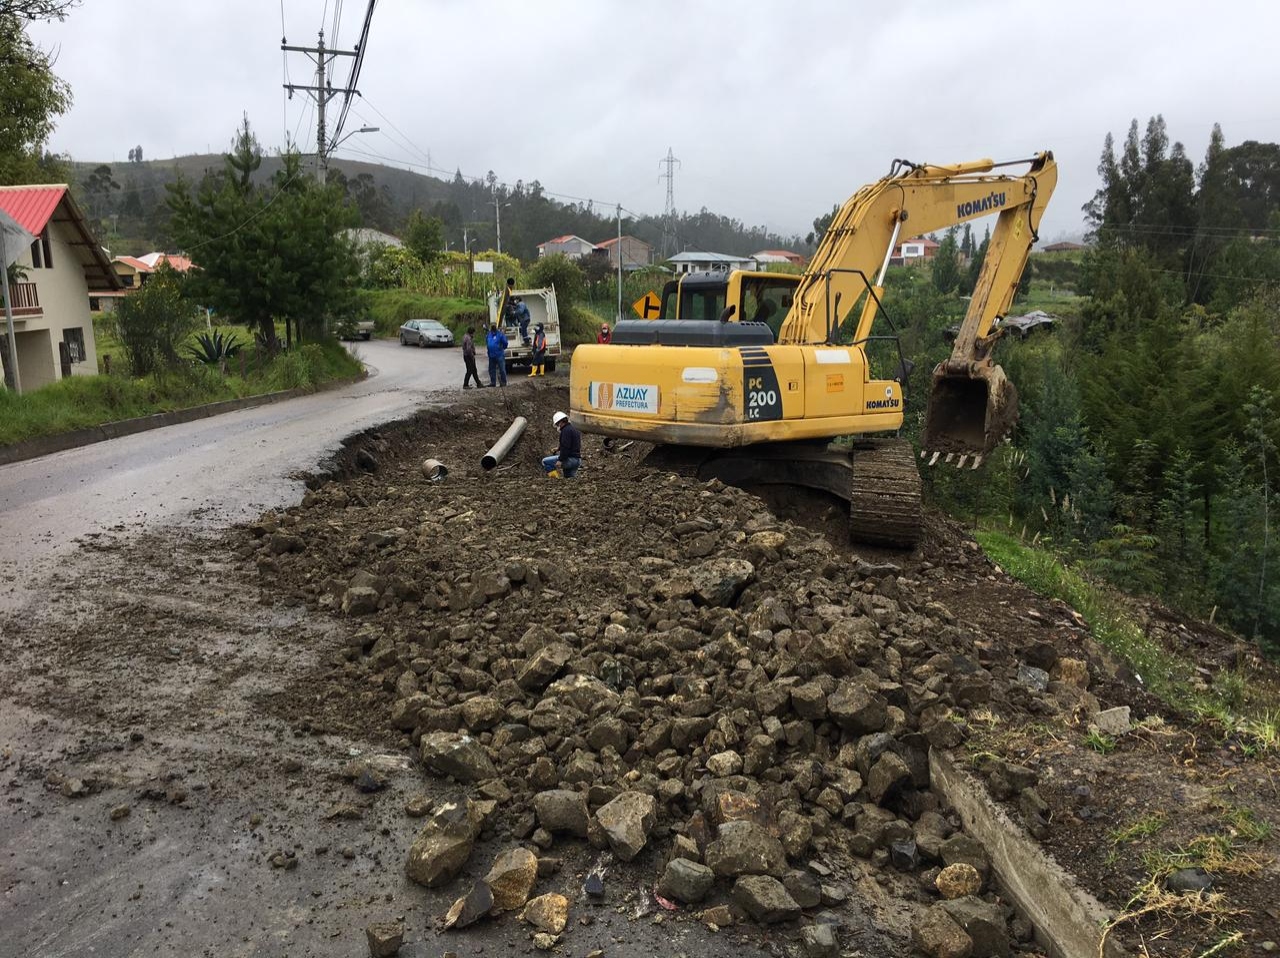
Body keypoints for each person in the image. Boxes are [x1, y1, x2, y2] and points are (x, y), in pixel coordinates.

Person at [542, 411, 581, 478]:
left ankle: (555, 480)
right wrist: (559, 448)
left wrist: (560, 460)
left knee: (545, 461)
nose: (558, 426)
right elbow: (571, 444)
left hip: (570, 460)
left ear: (560, 422)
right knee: (569, 479)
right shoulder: (574, 429)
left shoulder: (565, 431)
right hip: (577, 460)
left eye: (557, 424)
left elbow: (566, 447)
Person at [486, 323, 508, 387]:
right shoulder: (488, 334)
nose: (493, 327)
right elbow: (487, 343)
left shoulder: (500, 334)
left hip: (499, 355)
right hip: (491, 355)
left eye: (494, 326)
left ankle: (503, 382)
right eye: (492, 326)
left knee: (502, 369)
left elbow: (505, 343)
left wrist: (501, 348)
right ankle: (493, 382)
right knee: (491, 369)